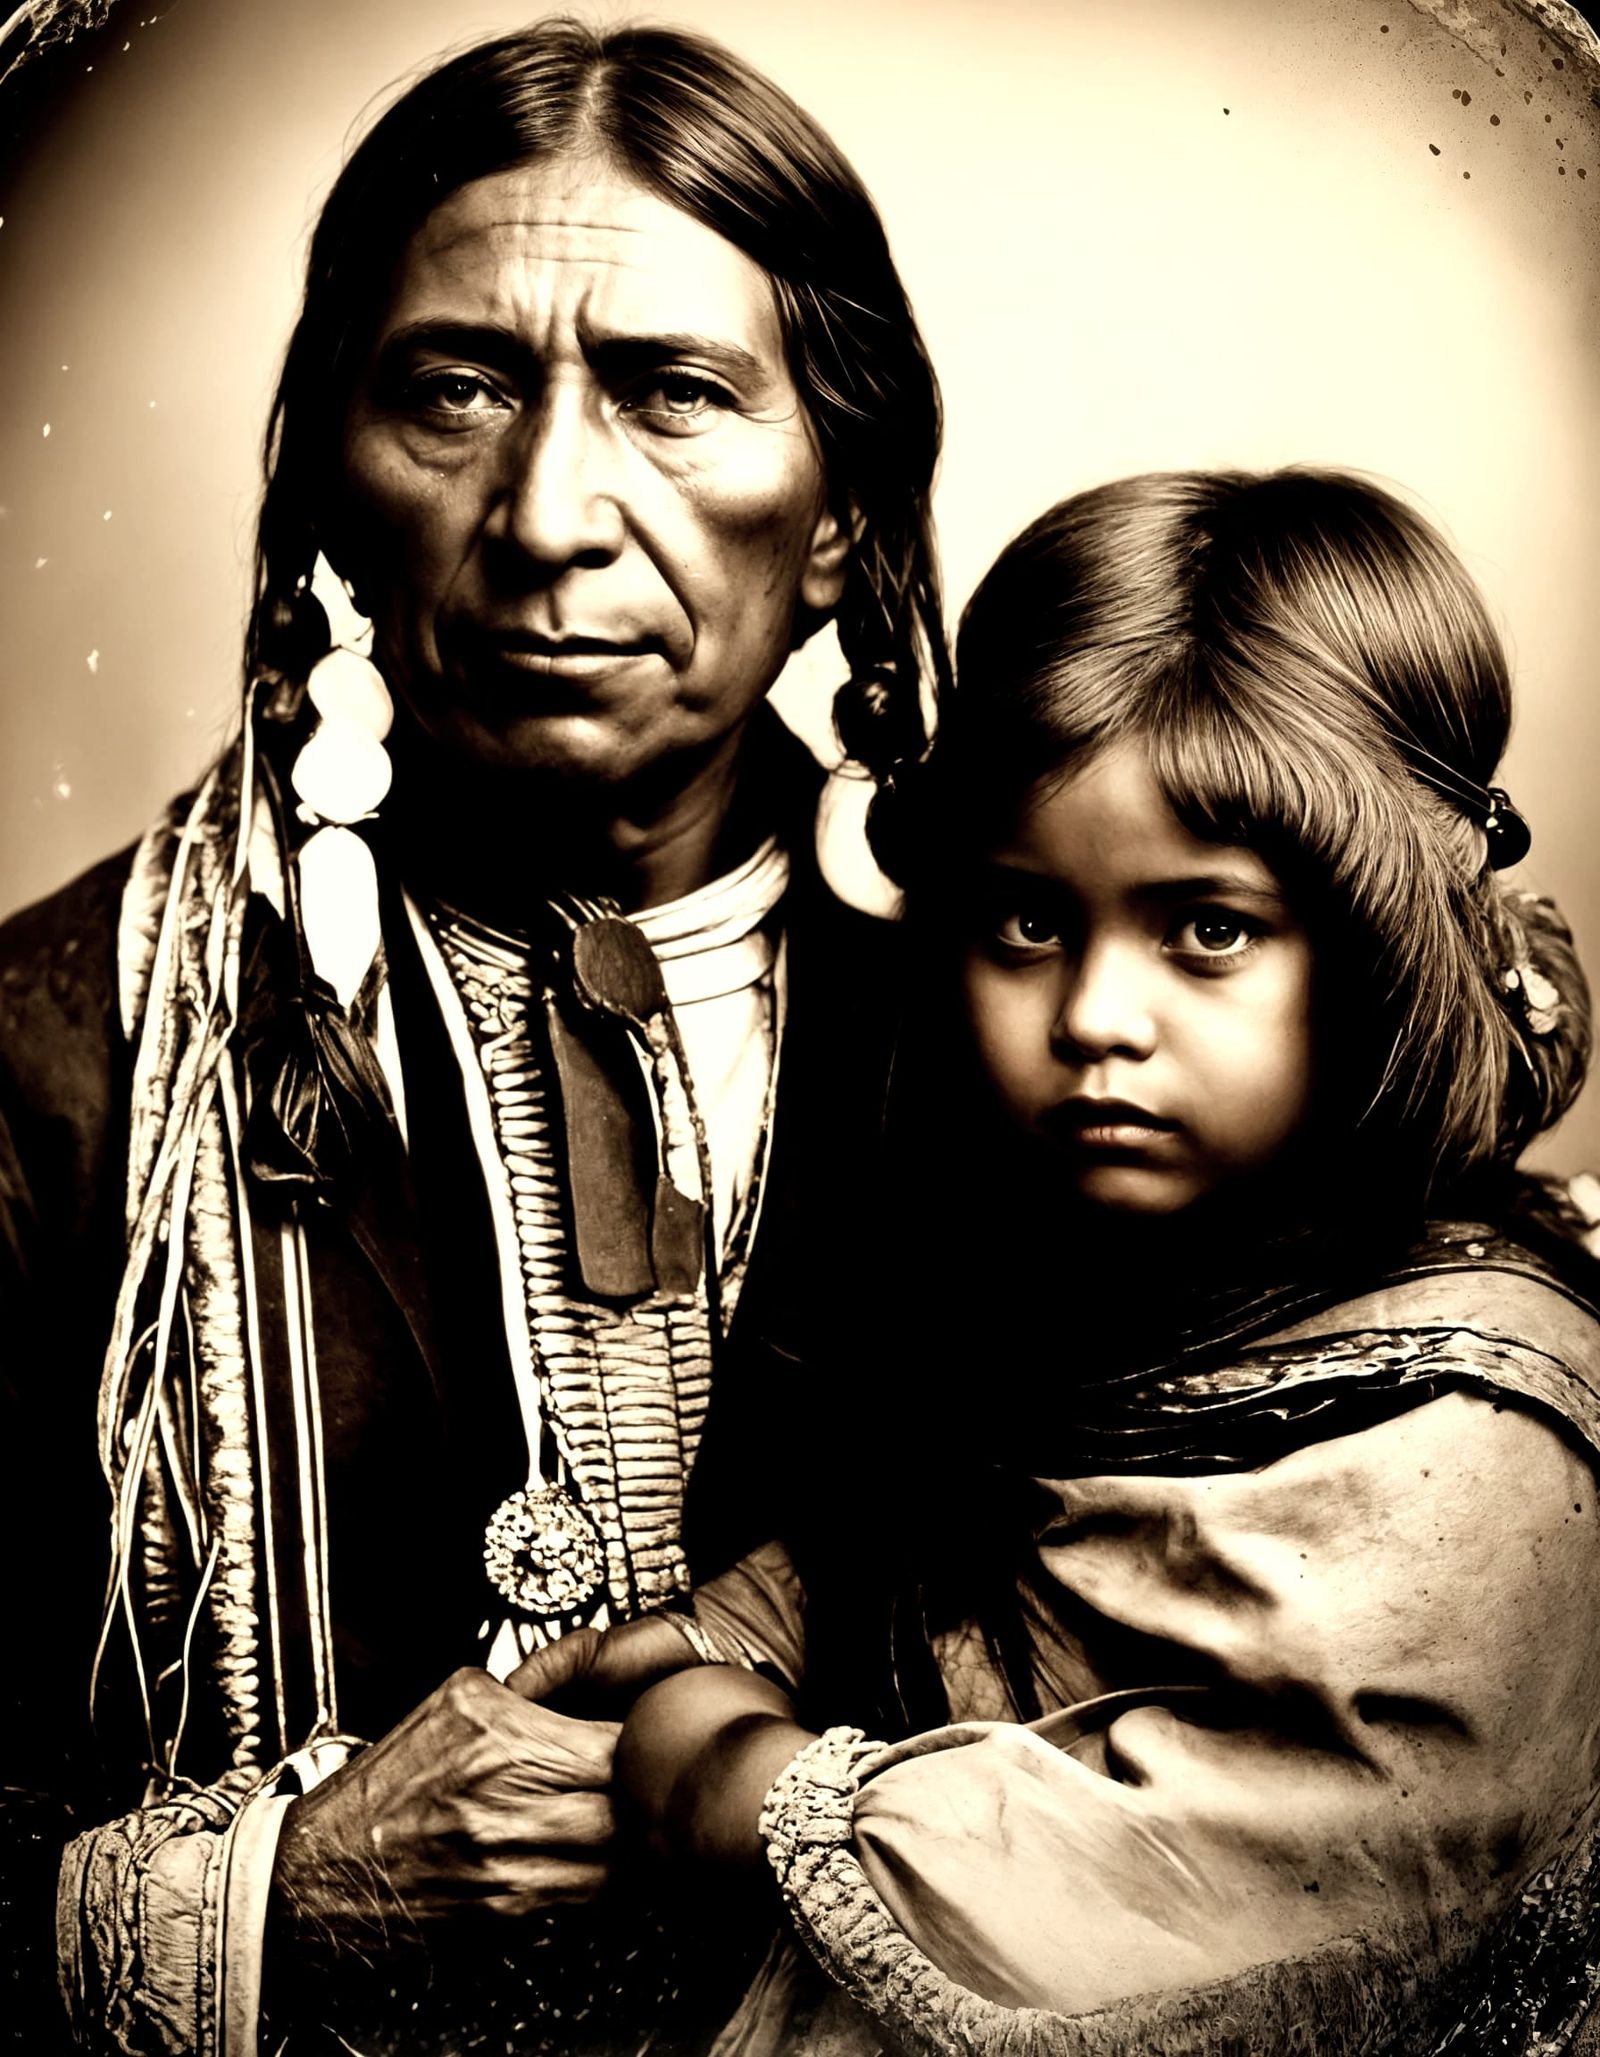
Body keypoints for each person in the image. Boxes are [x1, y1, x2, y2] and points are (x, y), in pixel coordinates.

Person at [0, 18, 948, 2054]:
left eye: (674, 394)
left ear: (844, 512)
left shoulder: (1041, 1056)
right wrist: (272, 1903)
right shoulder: (52, 1072)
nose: (542, 517)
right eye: (452, 391)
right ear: (333, 480)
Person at [568, 469, 1600, 2053]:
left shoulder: (1482, 1445)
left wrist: (733, 1782)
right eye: (1030, 924)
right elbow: (970, 1525)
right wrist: (772, 1615)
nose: (1097, 1017)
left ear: (1378, 948)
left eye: (1206, 930)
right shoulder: (1073, 1275)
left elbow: (1168, 1900)